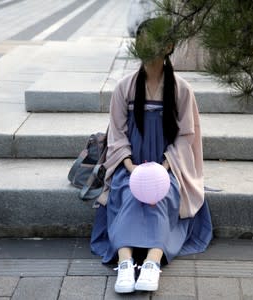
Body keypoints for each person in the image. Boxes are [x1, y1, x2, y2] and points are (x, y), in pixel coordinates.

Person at [90, 18, 213, 294]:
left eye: (152, 39)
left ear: (168, 45)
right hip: (129, 164)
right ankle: (124, 264)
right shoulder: (125, 87)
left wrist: (164, 167)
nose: (144, 44)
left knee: (160, 194)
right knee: (130, 193)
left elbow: (185, 137)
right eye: (140, 39)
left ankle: (151, 263)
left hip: (169, 165)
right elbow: (117, 135)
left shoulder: (181, 90)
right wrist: (131, 166)